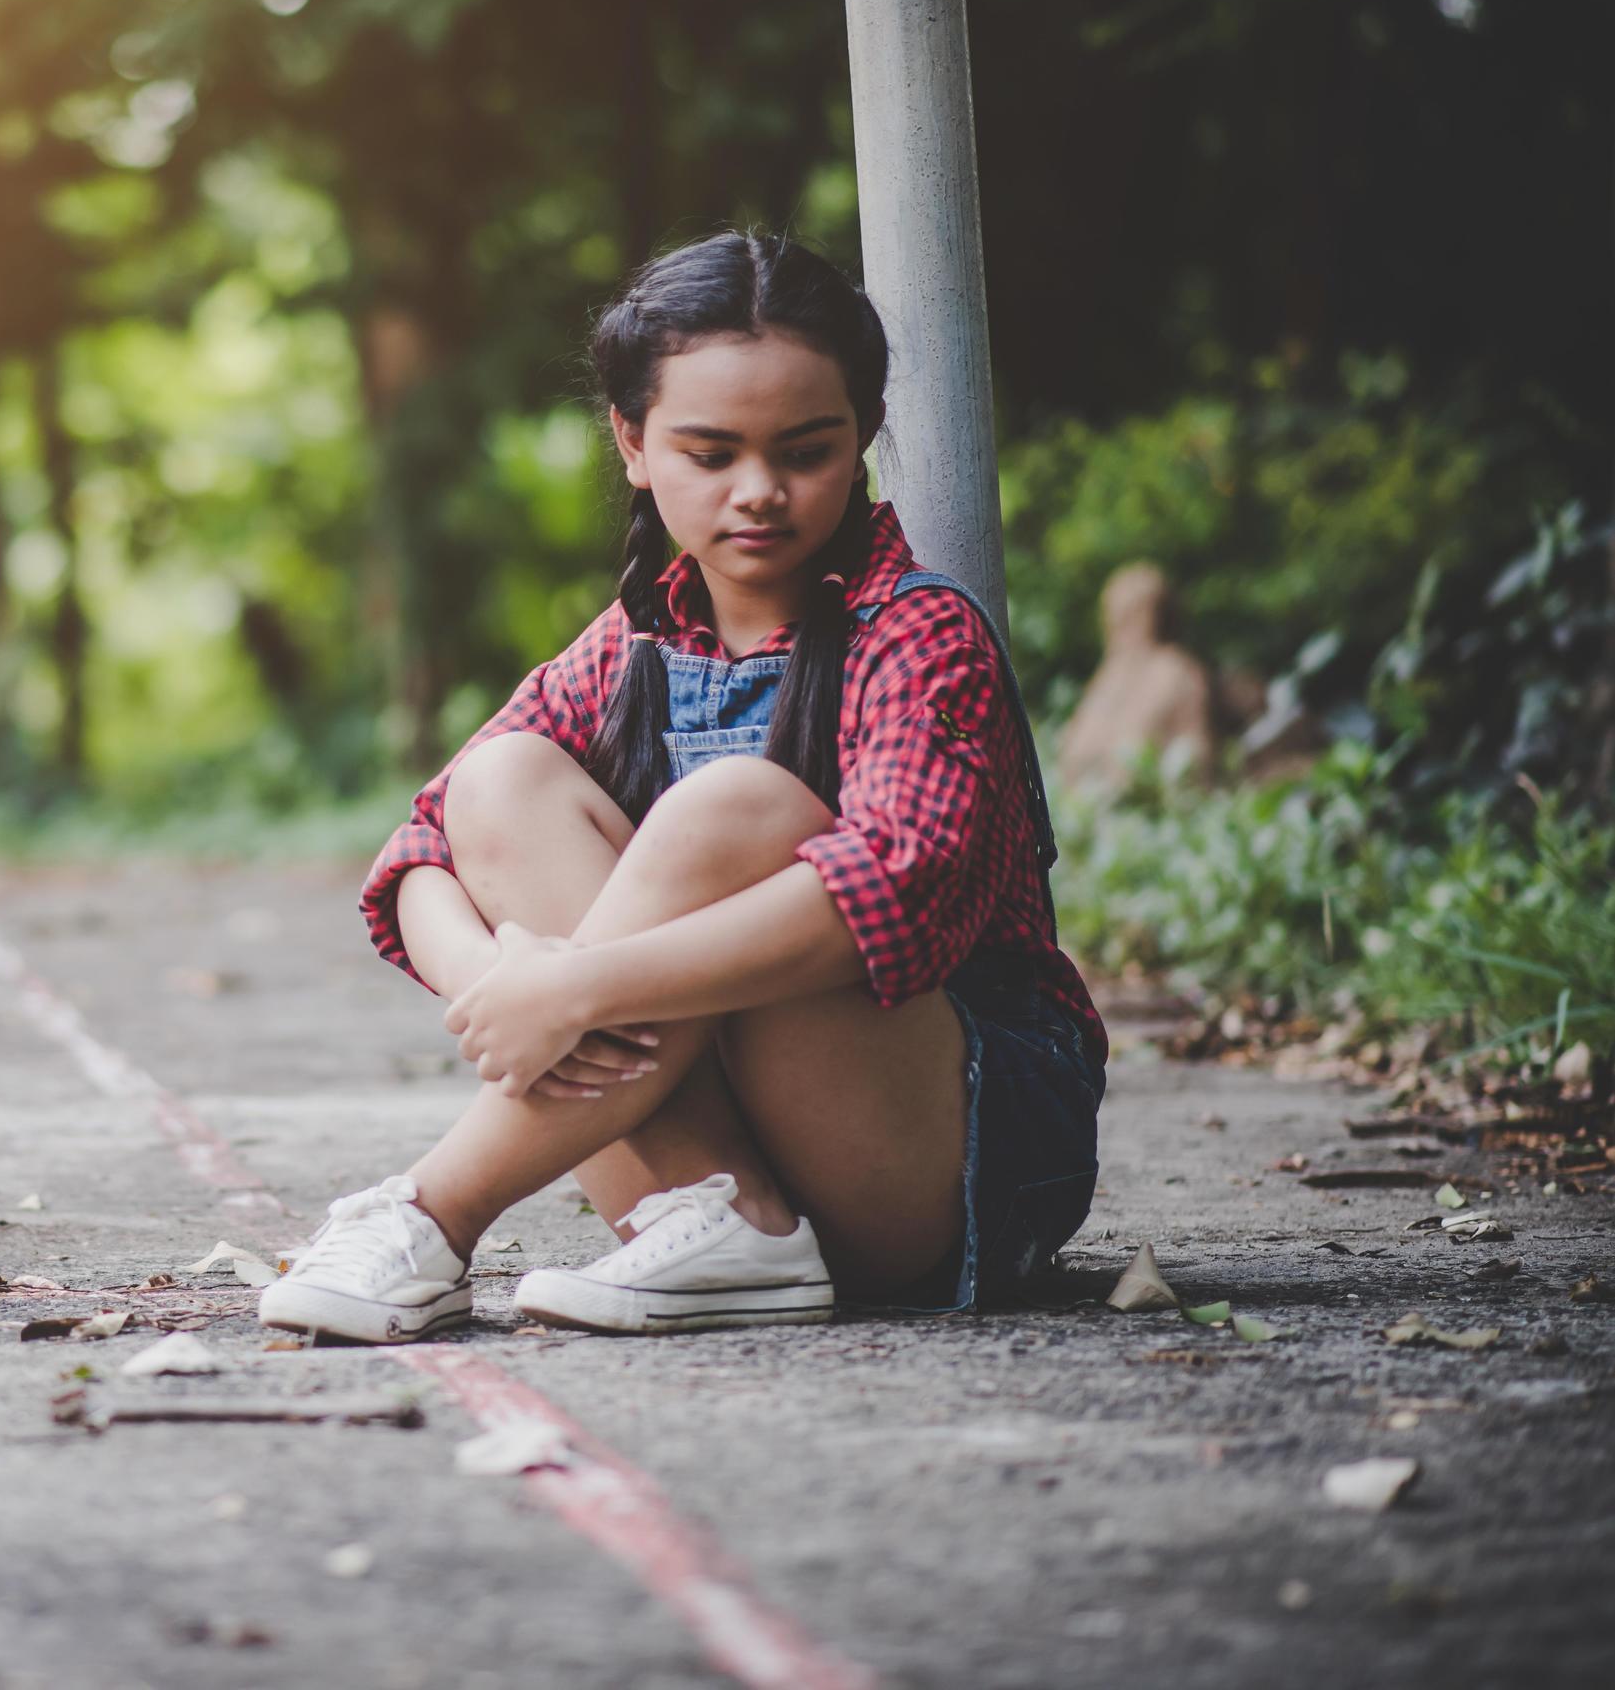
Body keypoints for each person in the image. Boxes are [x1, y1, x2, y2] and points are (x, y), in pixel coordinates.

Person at [259, 231, 1104, 1344]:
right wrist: (507, 983)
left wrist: (581, 988)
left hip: (942, 1166)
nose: (760, 493)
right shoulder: (632, 643)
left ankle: (434, 1209)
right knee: (504, 781)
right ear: (633, 442)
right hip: (727, 1168)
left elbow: (902, 886)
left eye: (807, 449)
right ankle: (734, 1223)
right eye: (711, 454)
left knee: (731, 811)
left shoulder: (918, 632)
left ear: (861, 441)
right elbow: (425, 844)